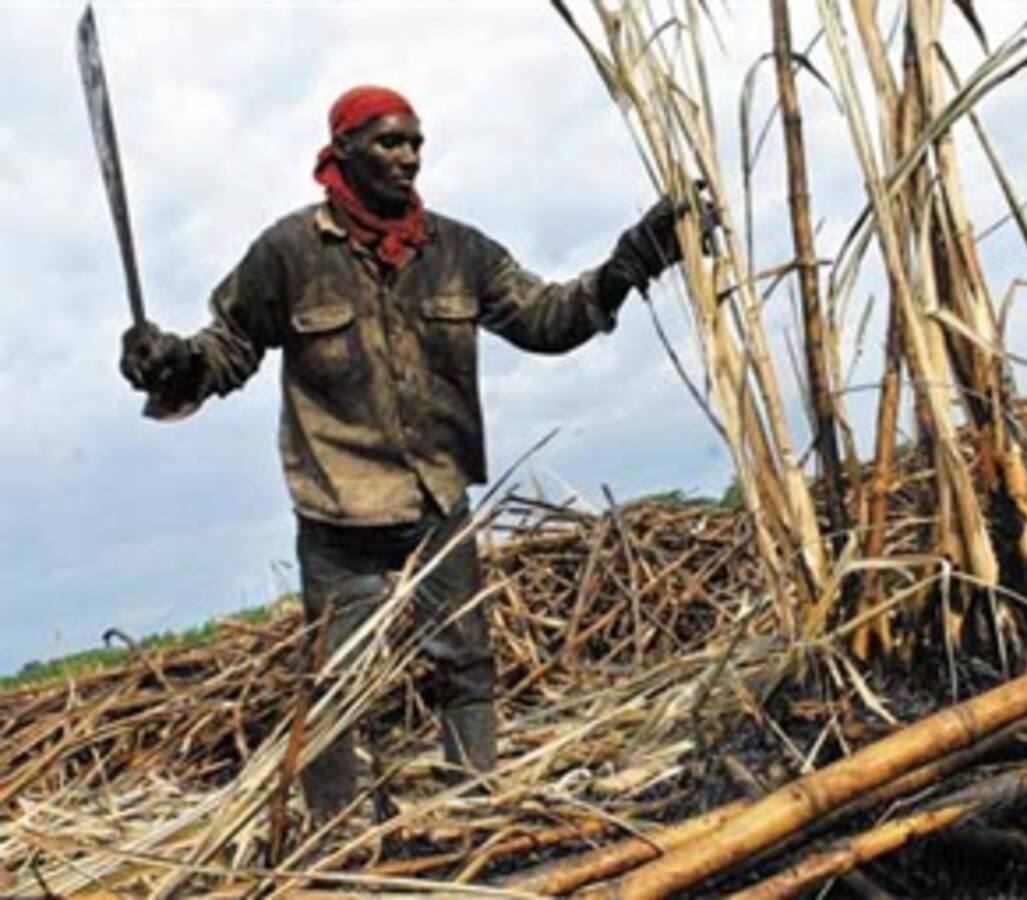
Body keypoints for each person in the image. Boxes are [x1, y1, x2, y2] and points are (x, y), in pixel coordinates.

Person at [119, 85, 703, 822]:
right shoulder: (289, 253)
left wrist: (633, 263)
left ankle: (475, 810)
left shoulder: (457, 251)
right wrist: (174, 365)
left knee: (466, 663)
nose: (408, 157)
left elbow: (547, 320)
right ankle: (336, 836)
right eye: (389, 142)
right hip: (338, 510)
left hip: (436, 501)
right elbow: (228, 347)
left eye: (416, 143)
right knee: (336, 683)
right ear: (343, 150)